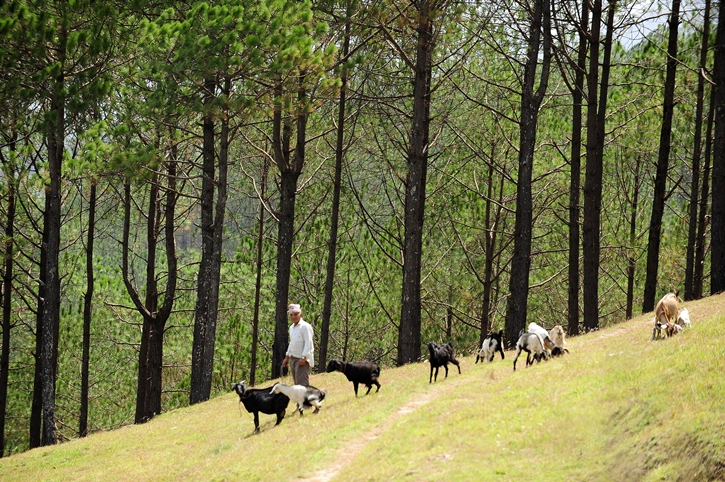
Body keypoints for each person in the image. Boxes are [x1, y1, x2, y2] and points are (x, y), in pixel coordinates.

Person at [282, 303, 314, 386]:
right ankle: (301, 399)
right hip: (293, 358)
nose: (293, 317)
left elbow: (308, 342)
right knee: (297, 384)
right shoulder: (291, 328)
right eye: (291, 315)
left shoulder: (305, 326)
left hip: (301, 359)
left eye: (296, 314)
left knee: (302, 384)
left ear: (301, 314)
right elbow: (292, 343)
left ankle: (306, 398)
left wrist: (304, 357)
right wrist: (287, 357)